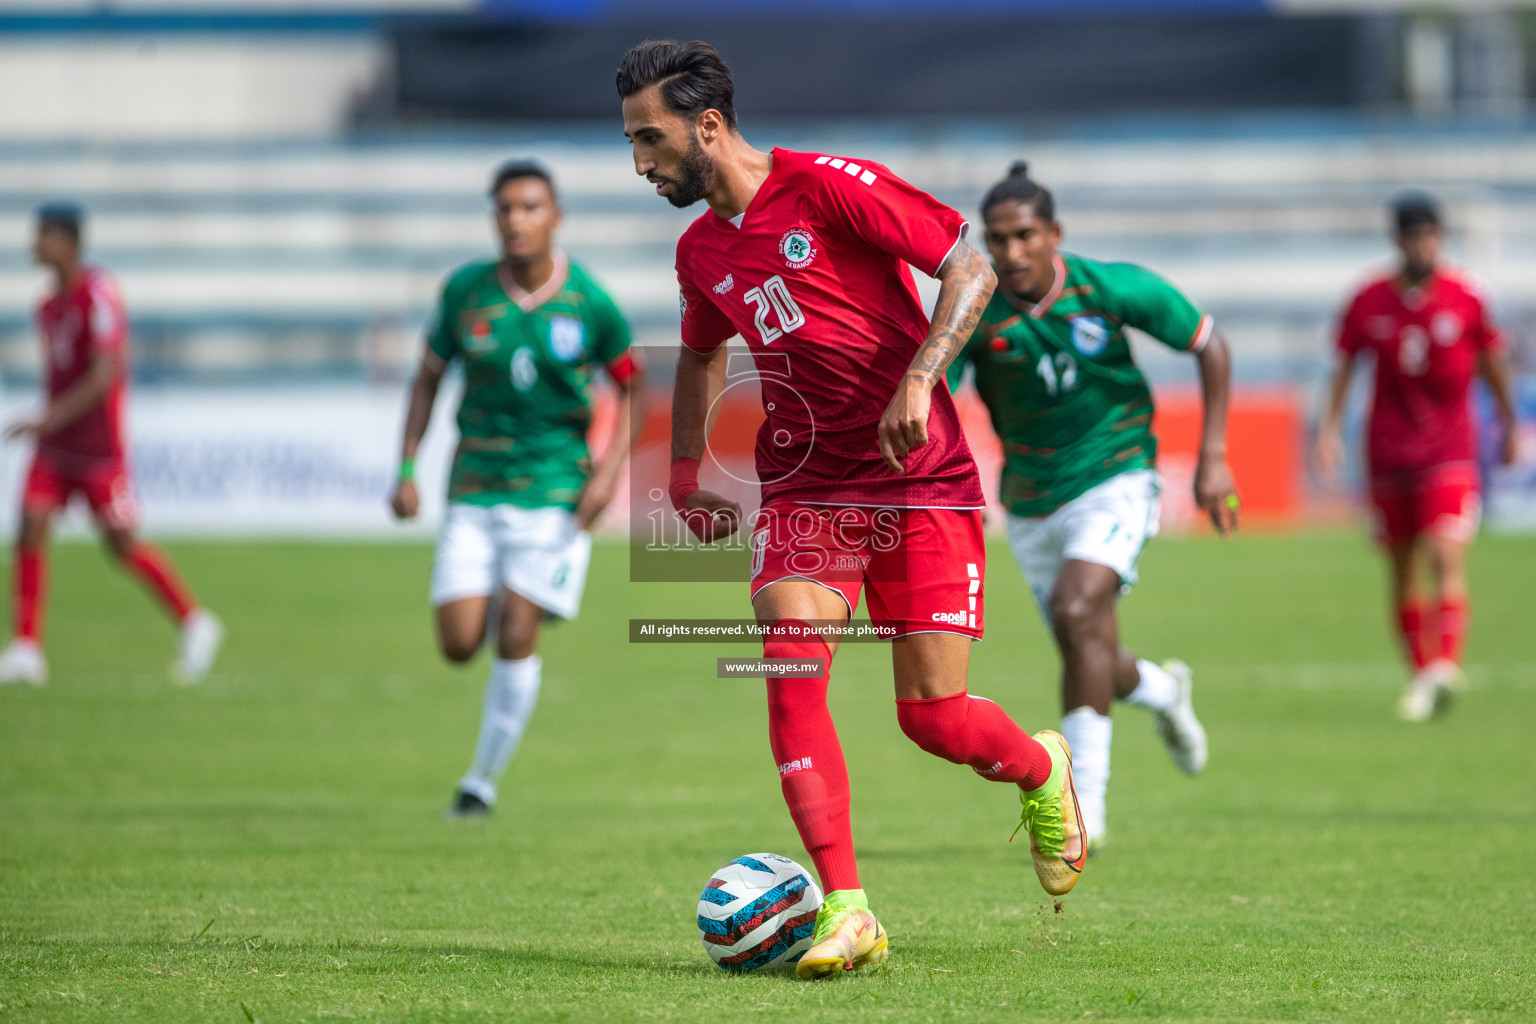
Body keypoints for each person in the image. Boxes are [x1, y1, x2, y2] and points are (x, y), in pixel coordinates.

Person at [617, 40, 1086, 981]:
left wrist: (921, 377)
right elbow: (701, 352)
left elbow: (970, 267)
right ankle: (850, 906)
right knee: (789, 646)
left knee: (934, 718)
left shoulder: (832, 187)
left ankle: (1041, 769)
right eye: (631, 141)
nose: (640, 162)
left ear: (708, 126)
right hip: (804, 486)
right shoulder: (699, 249)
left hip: (918, 476)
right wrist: (679, 470)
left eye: (651, 138)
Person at [946, 163, 1237, 855]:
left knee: (1078, 611)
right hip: (1032, 500)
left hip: (1116, 474)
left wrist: (1213, 455)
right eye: (997, 240)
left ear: (1054, 235)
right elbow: (936, 396)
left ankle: (1085, 805)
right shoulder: (976, 310)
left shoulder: (1109, 288)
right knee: (1091, 646)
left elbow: (1209, 343)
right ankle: (1163, 692)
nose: (1011, 253)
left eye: (1024, 236)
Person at [390, 160, 642, 816]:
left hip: (556, 490)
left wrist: (609, 472)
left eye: (530, 207)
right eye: (505, 209)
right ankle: (522, 595)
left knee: (517, 628)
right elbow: (426, 379)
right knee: (456, 644)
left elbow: (636, 385)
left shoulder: (588, 299)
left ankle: (481, 781)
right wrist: (408, 468)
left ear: (555, 217)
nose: (516, 220)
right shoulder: (465, 293)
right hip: (474, 489)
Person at [0, 203, 223, 687]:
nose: (33, 245)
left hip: (98, 450)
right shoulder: (46, 305)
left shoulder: (98, 295)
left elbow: (105, 373)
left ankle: (194, 621)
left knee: (121, 546)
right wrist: (50, 425)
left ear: (67, 241)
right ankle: (26, 647)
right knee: (30, 526)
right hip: (56, 446)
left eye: (42, 236)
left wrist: (47, 419)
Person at [1317, 192, 1518, 722]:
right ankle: (1424, 674)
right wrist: (1330, 429)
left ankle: (1445, 667)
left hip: (1450, 448)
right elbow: (1344, 367)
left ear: (1440, 239)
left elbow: (1494, 361)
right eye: (1414, 235)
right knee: (1403, 568)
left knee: (1444, 554)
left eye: (1431, 234)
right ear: (1399, 241)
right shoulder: (1368, 299)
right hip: (1386, 450)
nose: (1424, 244)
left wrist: (1512, 424)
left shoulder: (1466, 295)